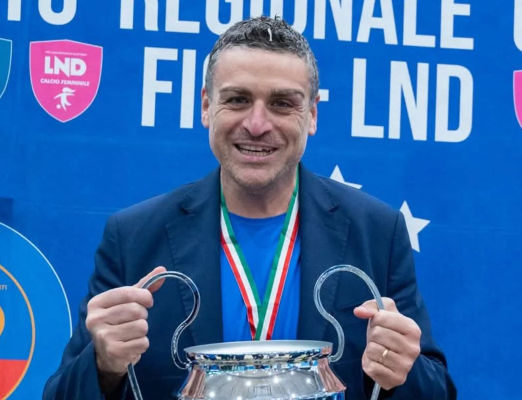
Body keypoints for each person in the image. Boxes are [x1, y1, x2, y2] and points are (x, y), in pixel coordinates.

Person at [43, 16, 457, 400]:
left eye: (282, 103)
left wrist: (402, 372)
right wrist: (104, 366)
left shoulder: (377, 232)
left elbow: (436, 389)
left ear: (312, 115)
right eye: (238, 99)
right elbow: (61, 393)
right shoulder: (134, 237)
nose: (257, 124)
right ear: (206, 106)